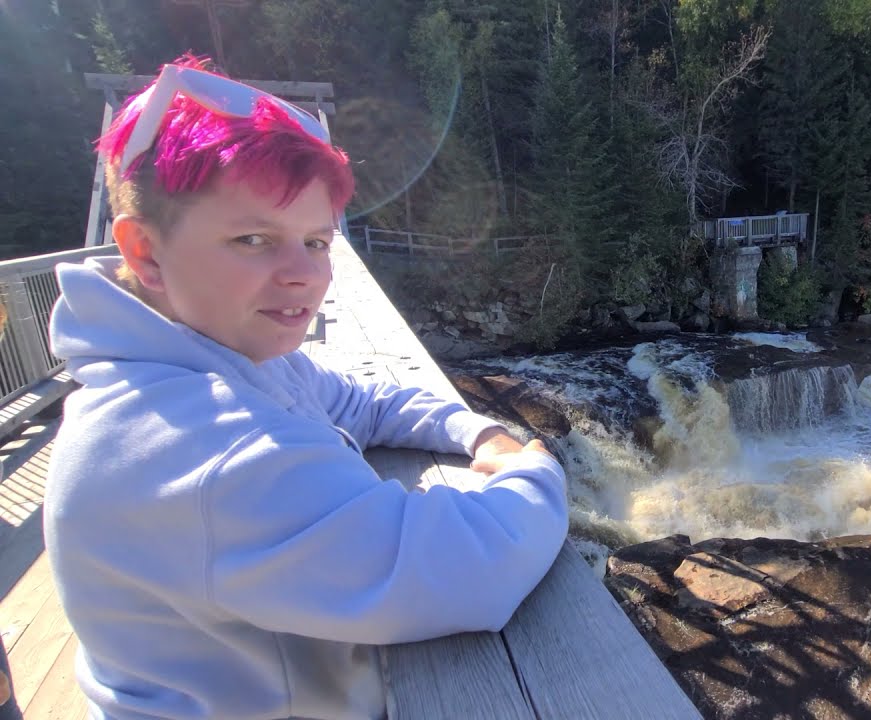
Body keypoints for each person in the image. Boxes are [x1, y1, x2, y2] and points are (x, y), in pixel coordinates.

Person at [45, 55, 568, 720]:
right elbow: (472, 568)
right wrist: (535, 470)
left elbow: (361, 402)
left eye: (317, 242)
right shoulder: (202, 446)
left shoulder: (224, 356)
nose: (306, 275)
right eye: (253, 238)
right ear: (145, 252)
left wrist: (479, 431)